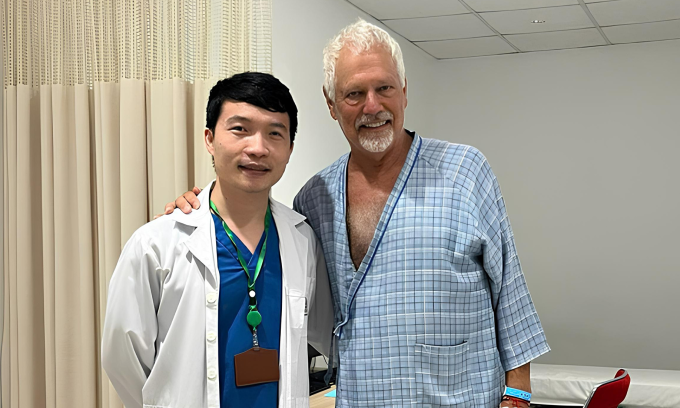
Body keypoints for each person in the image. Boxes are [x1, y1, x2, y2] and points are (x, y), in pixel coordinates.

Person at [167, 20, 550, 408]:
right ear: (331, 104)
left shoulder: (464, 170)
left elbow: (510, 291)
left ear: (404, 91)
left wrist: (518, 395)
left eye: (384, 88)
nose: (372, 106)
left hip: (461, 397)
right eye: (354, 93)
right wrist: (204, 208)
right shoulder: (315, 198)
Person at [102, 72, 333, 408]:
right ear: (210, 139)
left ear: (289, 150)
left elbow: (325, 332)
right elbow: (122, 357)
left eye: (275, 133)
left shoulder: (303, 241)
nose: (257, 148)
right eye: (240, 129)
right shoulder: (157, 243)